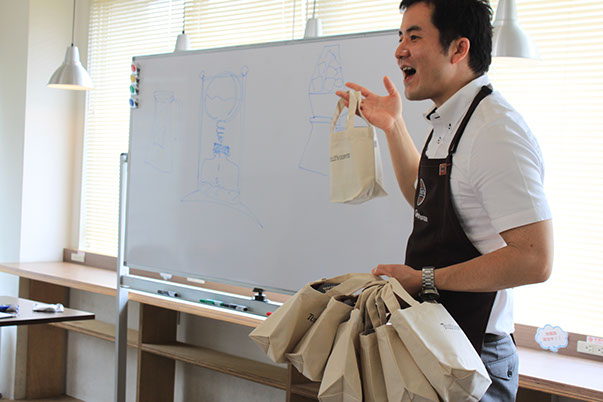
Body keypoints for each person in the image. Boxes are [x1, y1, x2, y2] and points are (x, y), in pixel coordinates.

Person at [336, 0, 553, 400]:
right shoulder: (450, 120)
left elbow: (534, 259)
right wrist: (393, 126)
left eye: (414, 37)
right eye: (400, 37)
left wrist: (425, 279)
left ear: (458, 49)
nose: (400, 50)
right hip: (437, 341)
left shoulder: (495, 132)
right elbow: (423, 199)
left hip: (474, 353)